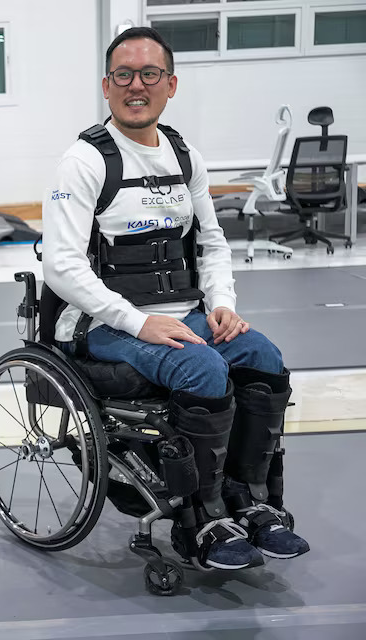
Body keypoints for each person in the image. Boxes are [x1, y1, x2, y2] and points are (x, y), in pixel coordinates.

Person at [41, 26, 309, 570]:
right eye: (124, 75)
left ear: (171, 84)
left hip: (183, 315)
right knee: (203, 369)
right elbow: (62, 266)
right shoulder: (85, 162)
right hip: (101, 325)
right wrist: (138, 323)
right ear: (107, 85)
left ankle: (251, 500)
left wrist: (222, 304)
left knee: (263, 357)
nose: (136, 85)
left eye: (150, 74)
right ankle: (199, 521)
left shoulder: (186, 157)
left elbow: (211, 242)